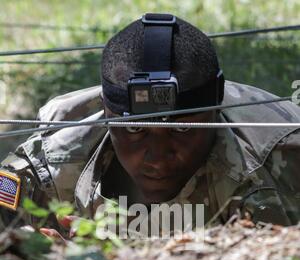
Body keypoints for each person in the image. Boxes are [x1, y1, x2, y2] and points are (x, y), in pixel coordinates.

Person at [1, 13, 300, 237]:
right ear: (106, 111)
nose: (157, 157)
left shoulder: (282, 156)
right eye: (135, 129)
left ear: (215, 111)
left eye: (183, 129)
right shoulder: (54, 160)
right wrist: (28, 249)